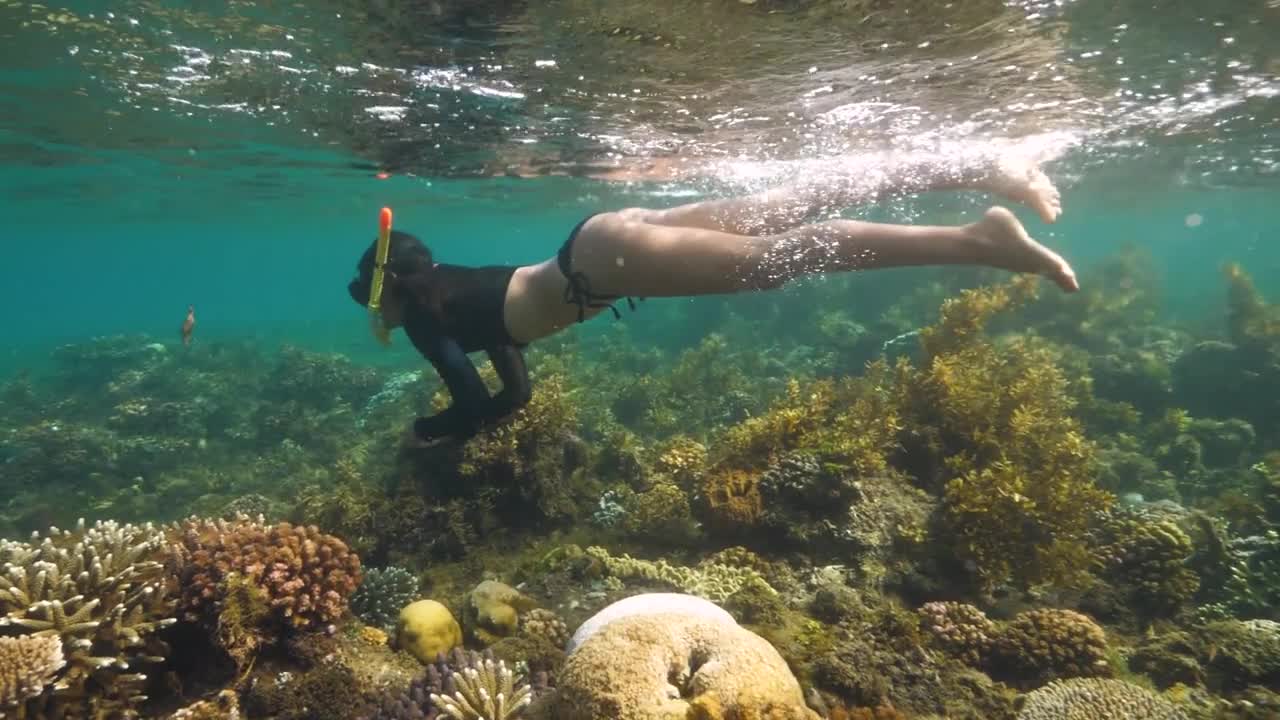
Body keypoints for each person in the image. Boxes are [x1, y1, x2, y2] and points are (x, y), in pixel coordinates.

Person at [347, 149, 1078, 447]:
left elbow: (474, 397)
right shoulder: (451, 291)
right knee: (787, 205)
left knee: (778, 260)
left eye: (369, 302)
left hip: (604, 268)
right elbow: (509, 375)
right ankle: (982, 170)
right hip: (599, 241)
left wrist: (430, 429)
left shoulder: (422, 322)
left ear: (392, 289)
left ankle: (980, 240)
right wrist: (492, 409)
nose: (371, 316)